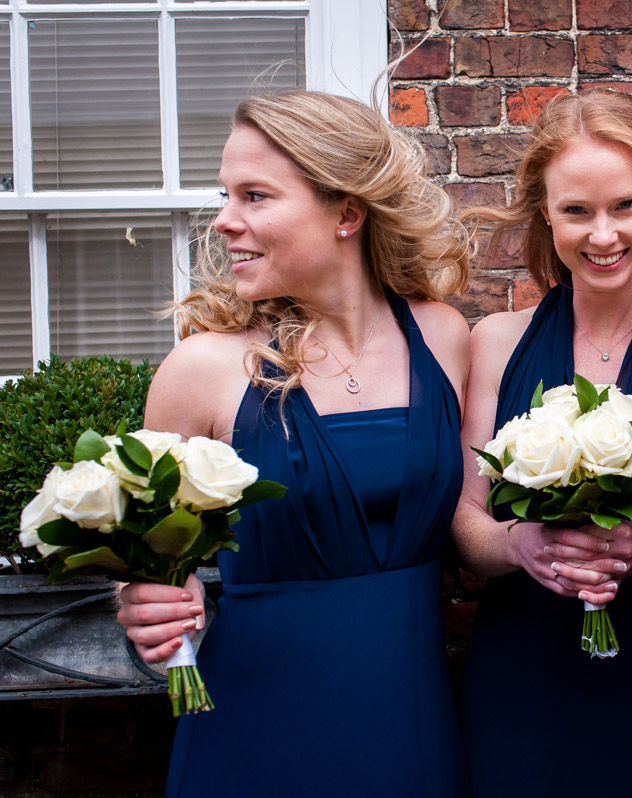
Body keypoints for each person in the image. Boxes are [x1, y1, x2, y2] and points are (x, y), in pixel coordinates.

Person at [115, 90, 473, 797]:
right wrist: (143, 601)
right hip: (255, 730)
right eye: (227, 194)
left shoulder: (443, 337)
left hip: (412, 724)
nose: (224, 220)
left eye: (255, 196)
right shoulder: (204, 370)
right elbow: (145, 568)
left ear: (347, 211)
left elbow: (469, 522)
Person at [452, 89, 632, 797]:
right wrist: (521, 544)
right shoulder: (495, 343)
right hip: (524, 672)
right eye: (576, 211)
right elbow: (465, 522)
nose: (604, 235)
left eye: (624, 206)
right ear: (545, 216)